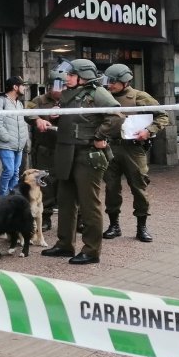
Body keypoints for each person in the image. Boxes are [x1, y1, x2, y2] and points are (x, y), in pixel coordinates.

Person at [41, 59, 121, 265]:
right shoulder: (70, 94)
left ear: (83, 76)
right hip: (66, 151)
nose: (65, 78)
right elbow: (76, 118)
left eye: (70, 74)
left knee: (89, 204)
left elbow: (116, 116)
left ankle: (91, 250)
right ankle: (64, 244)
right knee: (66, 201)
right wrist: (56, 117)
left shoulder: (97, 93)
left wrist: (99, 136)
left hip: (87, 154)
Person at [101, 64, 169, 243]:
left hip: (133, 148)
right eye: (109, 81)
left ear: (125, 81)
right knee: (111, 188)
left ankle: (142, 226)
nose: (110, 85)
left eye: (114, 82)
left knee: (139, 187)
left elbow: (163, 116)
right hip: (110, 147)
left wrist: (149, 130)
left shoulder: (140, 97)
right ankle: (114, 225)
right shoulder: (104, 97)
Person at [26, 66, 66, 232]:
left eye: (63, 87)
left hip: (66, 148)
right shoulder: (39, 100)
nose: (60, 90)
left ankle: (75, 220)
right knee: (46, 184)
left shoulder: (71, 99)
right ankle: (46, 217)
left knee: (67, 183)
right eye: (56, 87)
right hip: (45, 149)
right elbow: (26, 111)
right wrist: (38, 119)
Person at [0, 76, 29, 196]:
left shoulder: (19, 103)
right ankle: (2, 197)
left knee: (16, 172)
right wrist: (6, 137)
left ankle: (13, 197)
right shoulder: (0, 101)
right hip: (5, 143)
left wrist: (24, 138)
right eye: (22, 85)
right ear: (15, 87)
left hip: (19, 144)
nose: (24, 88)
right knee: (9, 171)